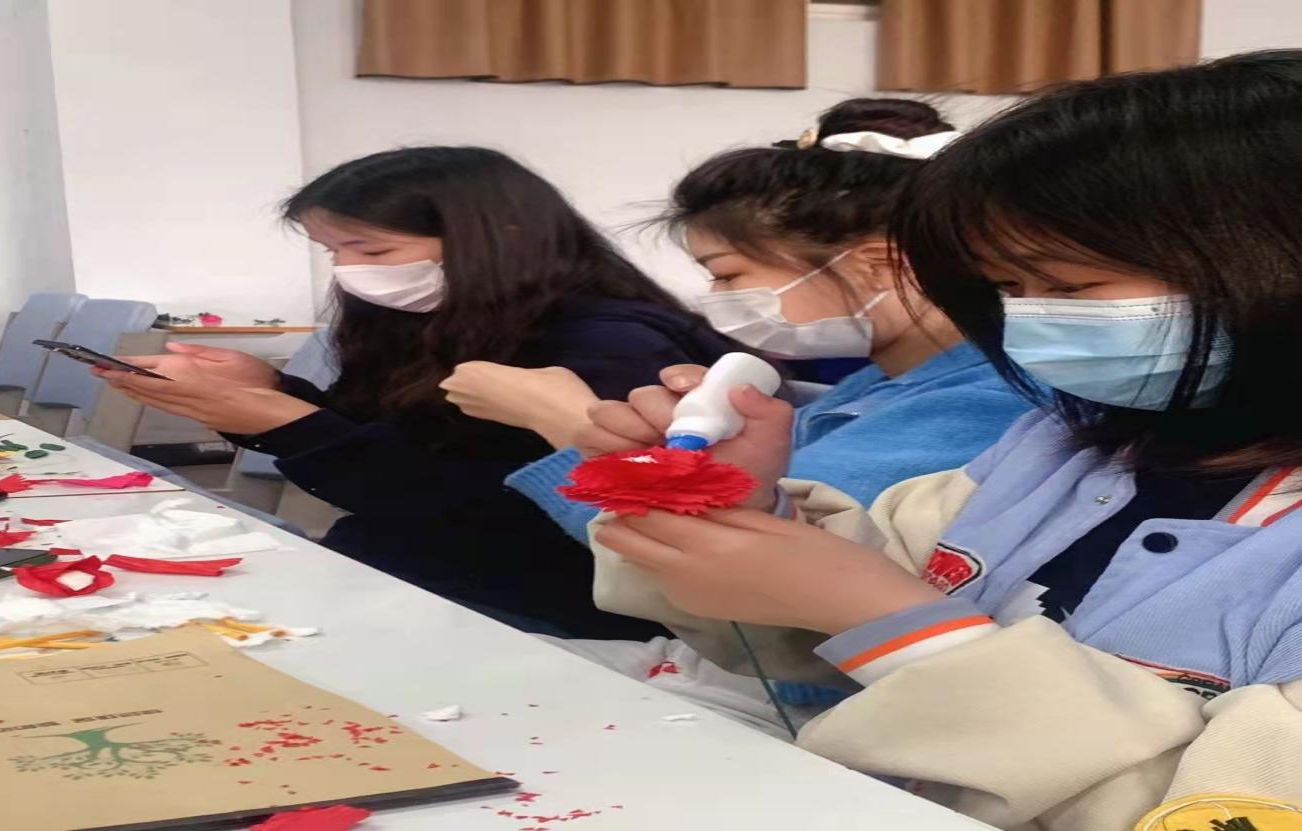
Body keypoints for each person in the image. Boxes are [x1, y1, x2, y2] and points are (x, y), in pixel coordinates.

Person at [585, 51, 1302, 830]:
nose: (1026, 317)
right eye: (1004, 287)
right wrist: (745, 512)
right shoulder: (1055, 450)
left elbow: (1214, 809)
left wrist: (912, 632)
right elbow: (831, 620)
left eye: (1068, 286)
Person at [97, 146, 739, 639]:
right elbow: (403, 441)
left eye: (373, 250)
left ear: (500, 239)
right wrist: (269, 391)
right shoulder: (432, 318)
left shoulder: (611, 342)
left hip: (531, 602)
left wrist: (286, 422)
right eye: (333, 251)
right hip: (409, 569)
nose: (349, 271)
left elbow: (512, 516)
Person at [448, 99, 1031, 545]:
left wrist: (567, 423)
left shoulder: (987, 403)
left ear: (878, 265)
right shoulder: (883, 381)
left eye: (727, 274)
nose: (716, 298)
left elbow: (738, 558)